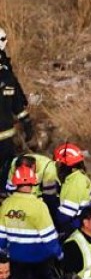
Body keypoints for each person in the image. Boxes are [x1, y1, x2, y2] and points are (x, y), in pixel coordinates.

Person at [0, 162, 61, 279]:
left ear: (15, 183)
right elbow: (49, 238)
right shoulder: (39, 206)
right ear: (34, 183)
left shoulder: (6, 205)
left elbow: (1, 237)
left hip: (16, 261)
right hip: (40, 260)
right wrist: (60, 254)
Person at [0, 28, 34, 174]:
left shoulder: (7, 74)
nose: (5, 43)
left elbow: (16, 102)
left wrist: (26, 122)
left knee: (6, 170)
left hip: (6, 137)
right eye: (2, 40)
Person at [53, 142, 91, 232]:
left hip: (73, 228)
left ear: (67, 165)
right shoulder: (79, 177)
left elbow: (65, 215)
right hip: (80, 224)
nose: (58, 167)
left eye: (60, 164)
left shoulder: (74, 182)